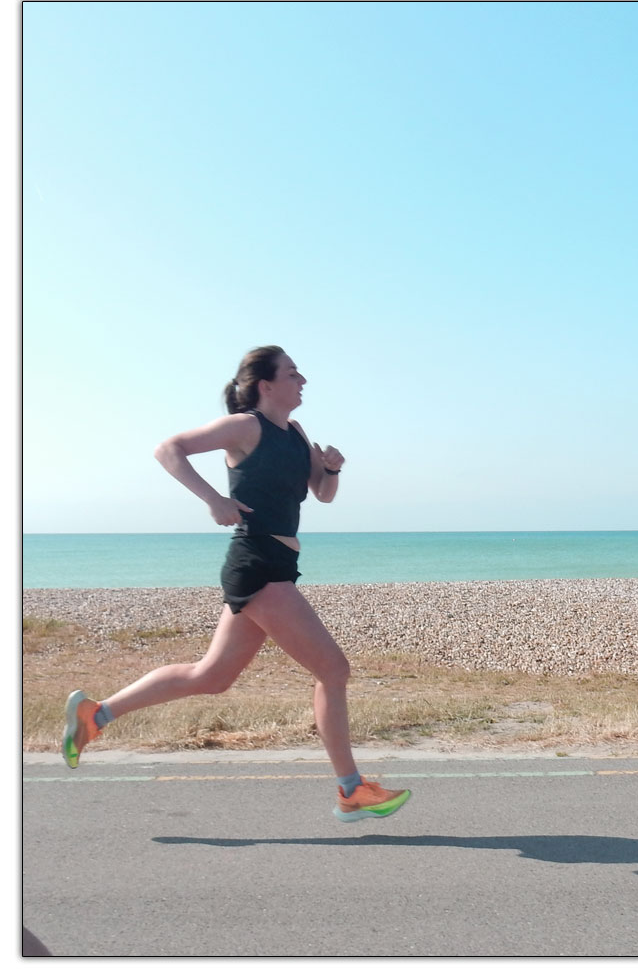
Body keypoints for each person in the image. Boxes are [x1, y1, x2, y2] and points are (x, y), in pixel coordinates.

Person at [61, 345, 410, 823]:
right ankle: (351, 790)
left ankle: (95, 715)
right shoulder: (247, 427)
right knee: (332, 669)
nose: (302, 378)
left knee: (212, 676)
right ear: (266, 385)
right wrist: (213, 500)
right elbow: (169, 449)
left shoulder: (296, 432)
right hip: (258, 562)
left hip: (275, 564)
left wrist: (331, 468)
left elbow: (322, 495)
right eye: (292, 372)